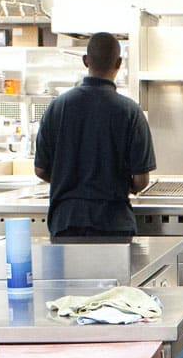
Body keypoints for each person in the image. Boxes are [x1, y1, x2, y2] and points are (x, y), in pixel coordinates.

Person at [33, 31, 156, 241]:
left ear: (85, 61)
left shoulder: (57, 107)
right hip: (114, 223)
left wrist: (70, 181)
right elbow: (141, 180)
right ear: (119, 63)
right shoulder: (130, 111)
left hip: (66, 223)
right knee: (115, 275)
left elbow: (40, 169)